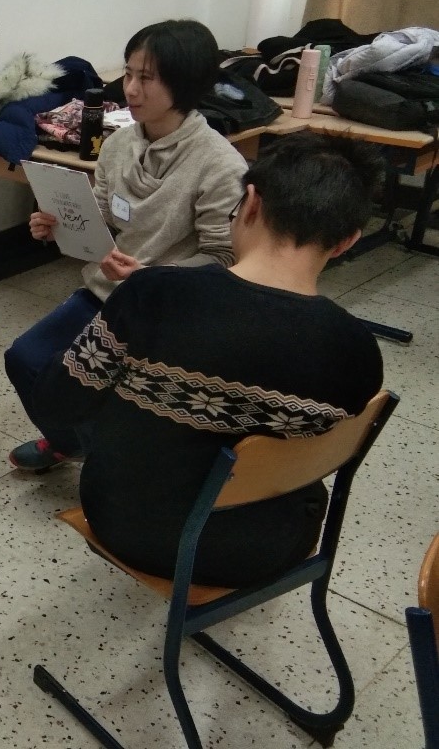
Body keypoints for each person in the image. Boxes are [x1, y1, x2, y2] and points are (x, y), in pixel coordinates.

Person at [30, 133, 384, 584]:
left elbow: (56, 402)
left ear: (250, 203)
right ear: (347, 241)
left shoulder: (155, 293)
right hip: (268, 546)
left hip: (127, 523)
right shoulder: (357, 348)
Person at [6, 19, 248, 471]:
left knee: (115, 396)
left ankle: (110, 465)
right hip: (110, 293)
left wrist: (151, 276)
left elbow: (225, 259)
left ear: (185, 83)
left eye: (146, 78)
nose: (130, 89)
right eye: (129, 73)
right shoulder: (118, 144)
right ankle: (73, 442)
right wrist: (58, 225)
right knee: (25, 359)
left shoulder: (220, 165)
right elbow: (102, 217)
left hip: (169, 309)